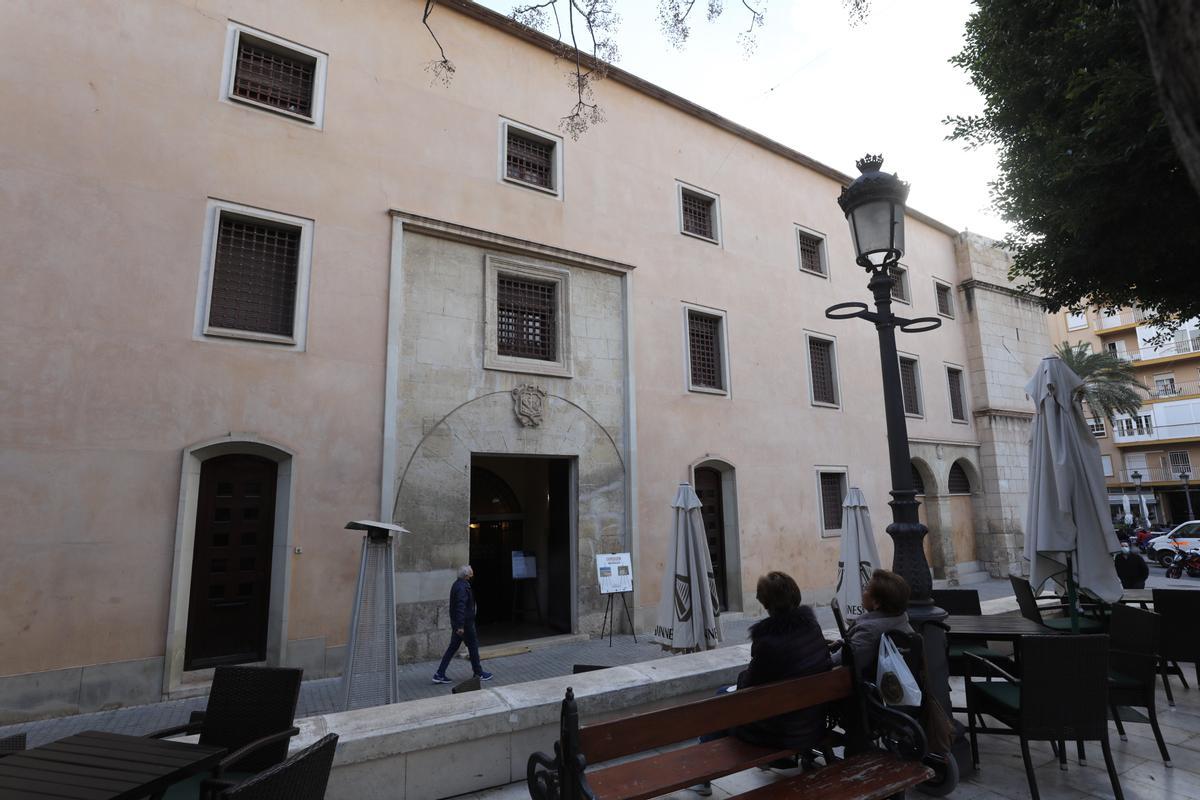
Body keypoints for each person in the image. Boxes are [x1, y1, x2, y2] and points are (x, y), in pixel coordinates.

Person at [691, 571, 832, 796]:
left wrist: (739, 680)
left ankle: (701, 775)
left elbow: (748, 685)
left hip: (779, 733)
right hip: (812, 723)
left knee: (720, 699)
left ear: (765, 602)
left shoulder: (767, 642)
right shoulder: (812, 627)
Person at [830, 569, 914, 681]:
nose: (862, 592)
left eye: (866, 589)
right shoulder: (901, 619)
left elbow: (837, 661)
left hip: (868, 691)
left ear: (876, 603)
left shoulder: (869, 631)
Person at [432, 565, 493, 684]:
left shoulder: (457, 585)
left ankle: (439, 673)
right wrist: (460, 626)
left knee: (453, 647)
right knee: (473, 646)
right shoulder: (462, 588)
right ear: (466, 576)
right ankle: (478, 672)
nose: (472, 577)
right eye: (471, 575)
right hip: (465, 624)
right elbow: (461, 607)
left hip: (460, 623)